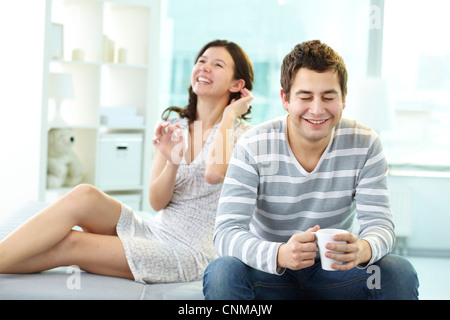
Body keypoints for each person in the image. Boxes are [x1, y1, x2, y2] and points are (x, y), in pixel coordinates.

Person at [0, 39, 254, 284]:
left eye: (218, 65)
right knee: (84, 194)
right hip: (154, 230)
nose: (205, 68)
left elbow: (214, 173)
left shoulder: (239, 133)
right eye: (202, 60)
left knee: (71, 242)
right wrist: (172, 161)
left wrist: (230, 114)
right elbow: (157, 202)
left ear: (236, 84)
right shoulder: (175, 126)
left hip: (186, 250)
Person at [203, 40, 419, 299]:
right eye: (305, 97)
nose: (317, 110)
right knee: (222, 272)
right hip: (271, 274)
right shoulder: (253, 145)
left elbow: (380, 225)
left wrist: (363, 249)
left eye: (328, 97)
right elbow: (226, 233)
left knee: (397, 270)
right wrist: (280, 254)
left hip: (337, 274)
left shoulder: (365, 144)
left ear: (344, 98)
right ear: (285, 98)